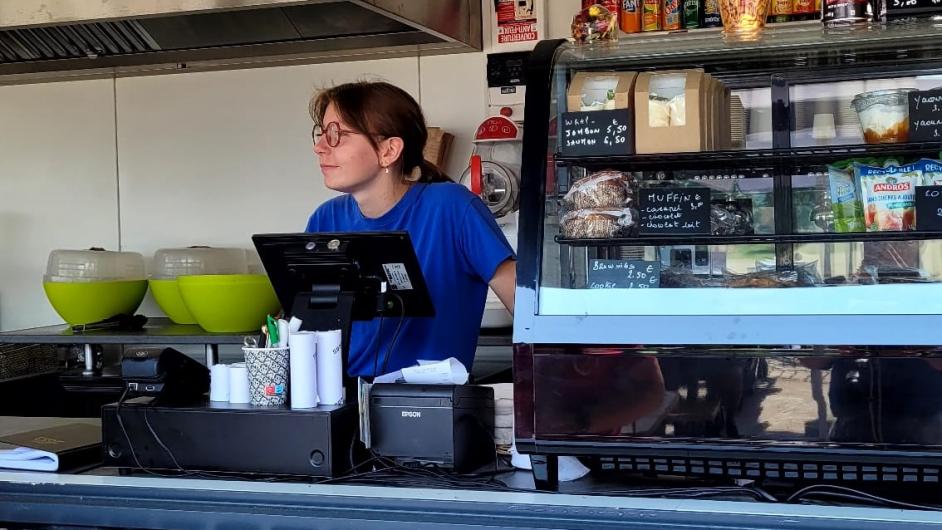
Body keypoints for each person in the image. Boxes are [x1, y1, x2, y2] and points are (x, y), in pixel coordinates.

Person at [305, 81, 516, 379]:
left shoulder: (452, 208)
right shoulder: (325, 220)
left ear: (389, 150)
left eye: (336, 135)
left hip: (427, 408)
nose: (320, 147)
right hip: (340, 405)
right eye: (321, 133)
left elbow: (525, 309)